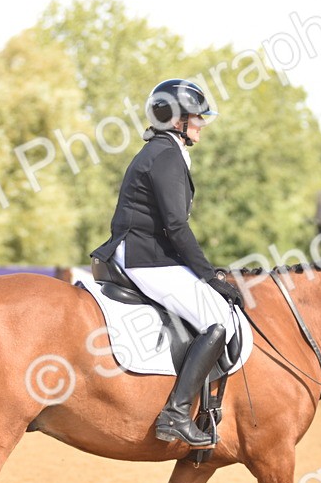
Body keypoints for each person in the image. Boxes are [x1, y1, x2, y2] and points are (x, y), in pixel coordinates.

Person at [91, 79, 242, 447]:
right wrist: (209, 275)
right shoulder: (167, 155)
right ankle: (175, 414)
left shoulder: (163, 150)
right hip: (146, 258)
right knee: (217, 320)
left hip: (144, 253)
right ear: (176, 121)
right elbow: (176, 226)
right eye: (195, 117)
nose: (201, 124)